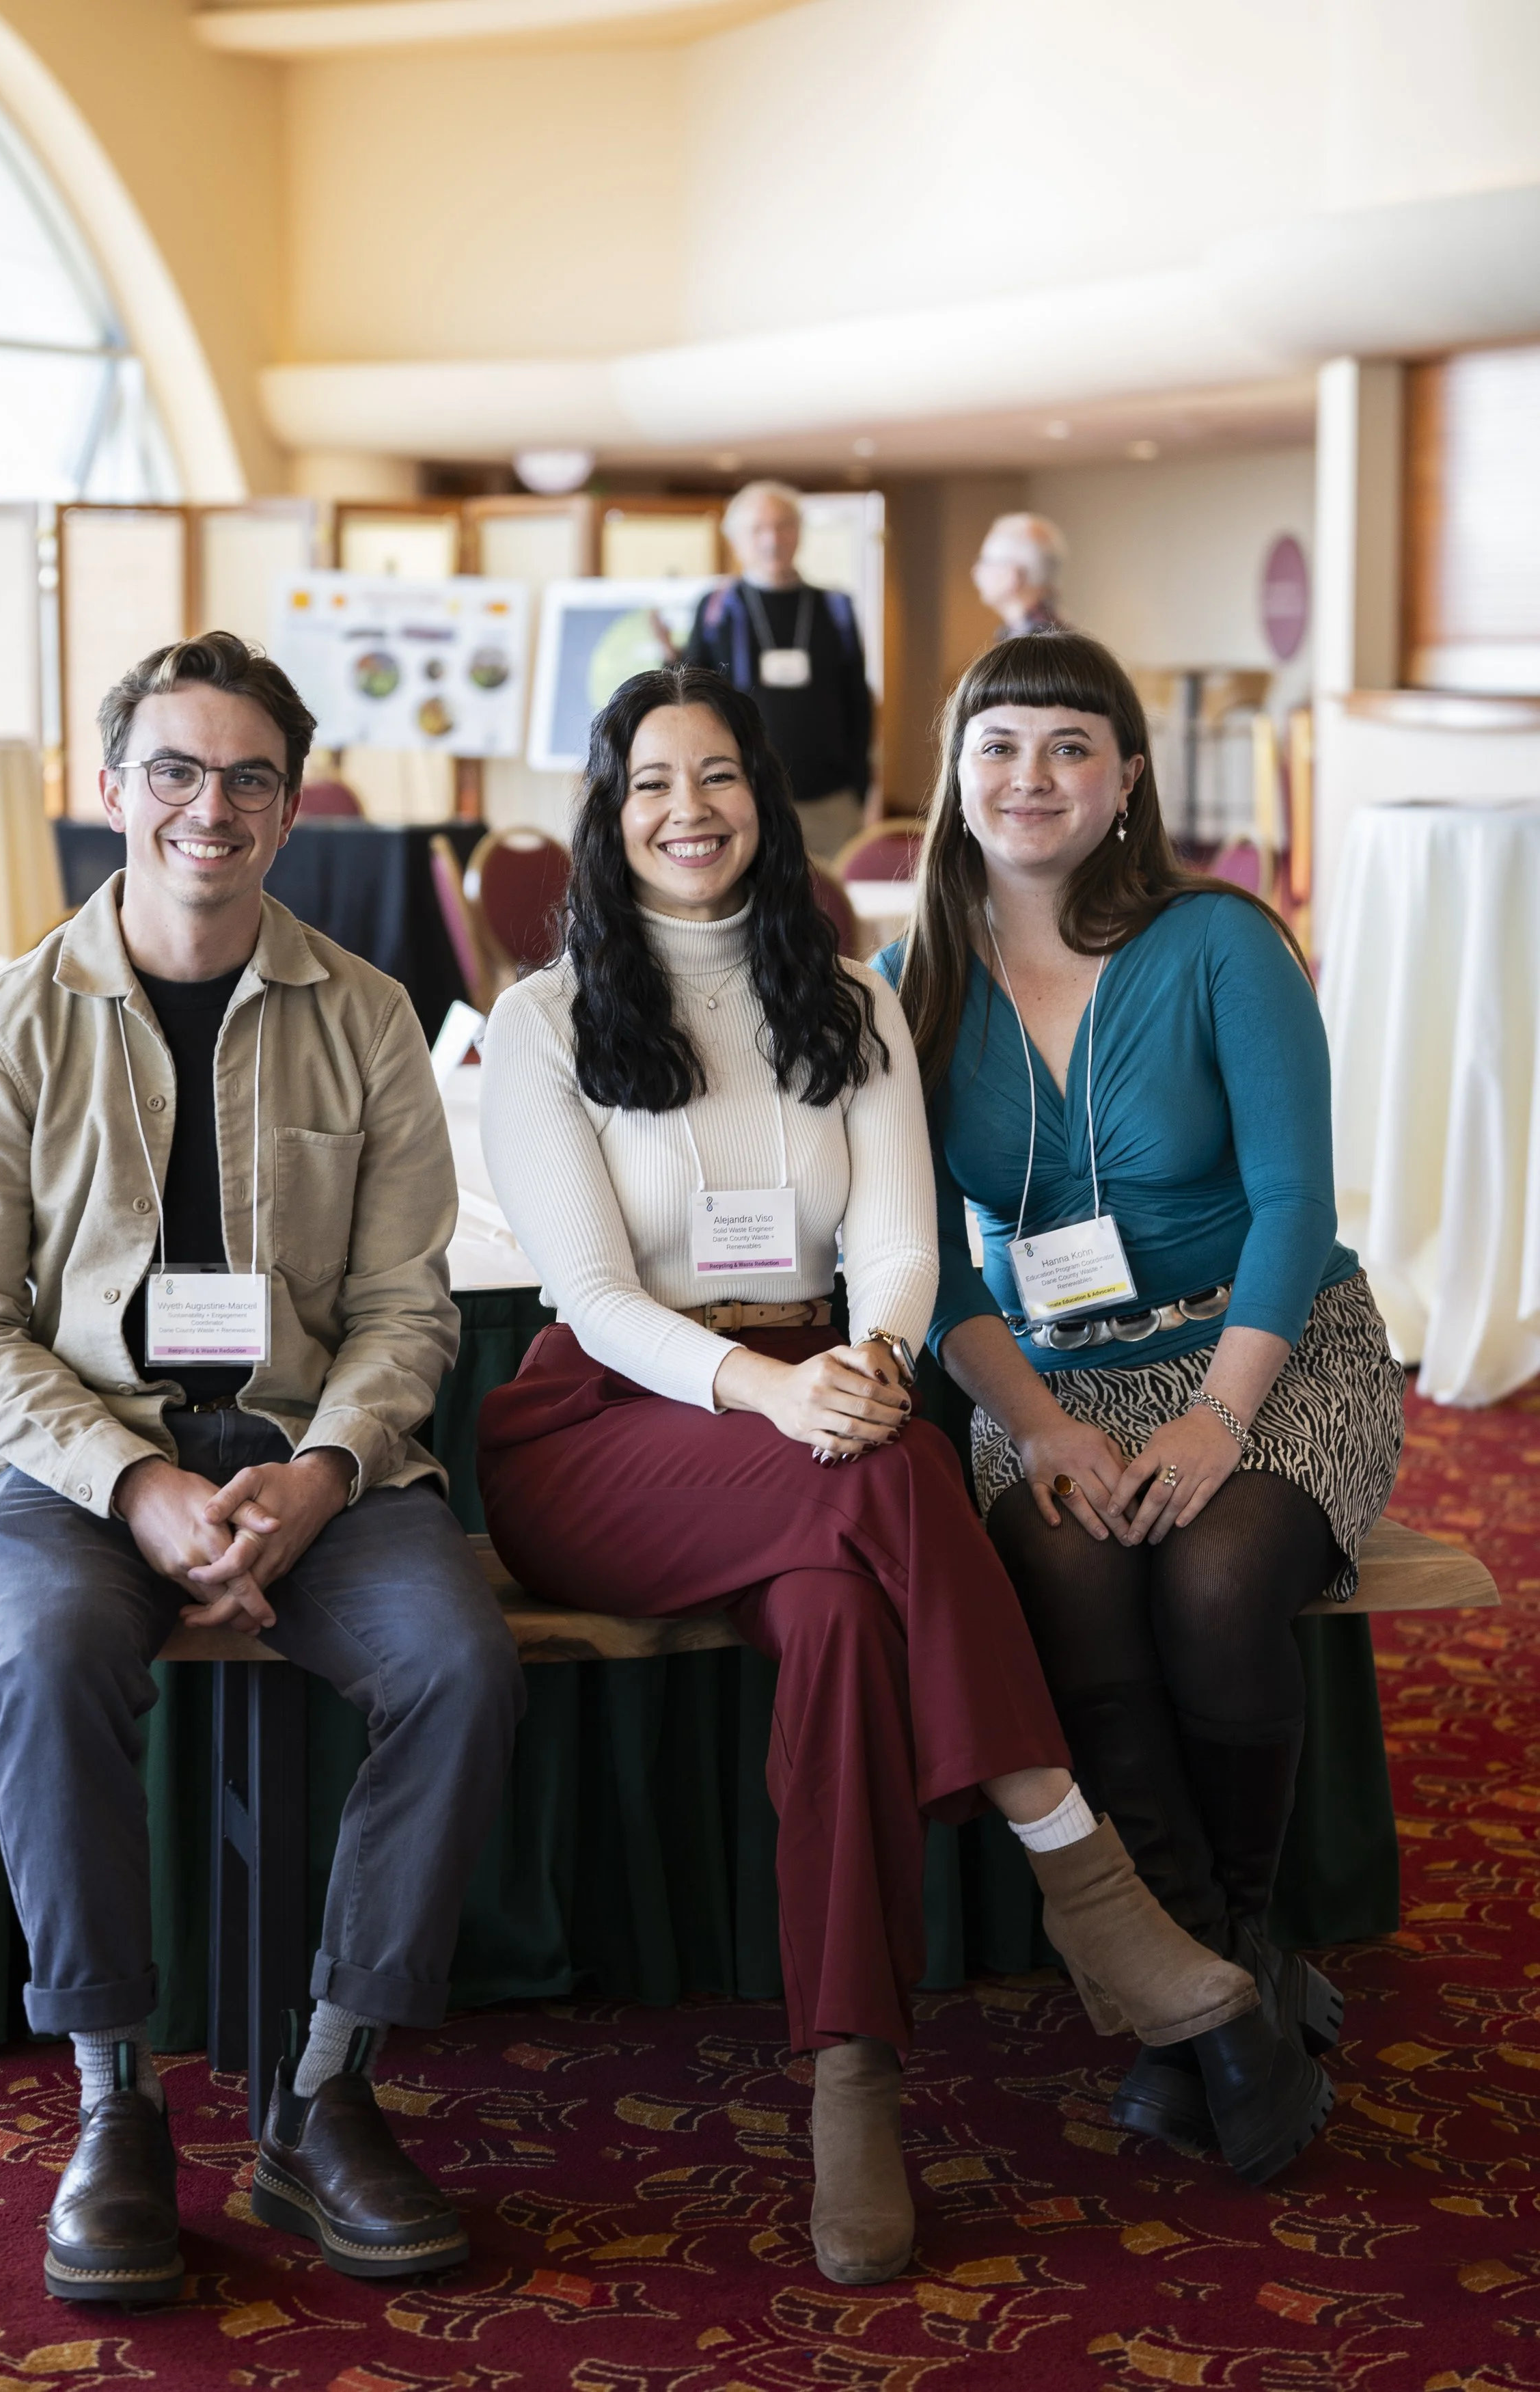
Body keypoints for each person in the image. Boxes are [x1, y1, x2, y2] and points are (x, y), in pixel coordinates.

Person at [474, 661, 1329, 2291]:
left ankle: (852, 2085)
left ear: (762, 796)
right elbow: (587, 1295)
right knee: (896, 1482)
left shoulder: (851, 993)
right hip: (615, 1420)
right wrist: (772, 1391)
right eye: (651, 782)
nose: (687, 811)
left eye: (718, 776)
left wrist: (869, 1355)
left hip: (823, 1405)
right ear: (606, 808)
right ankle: (1090, 1882)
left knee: (853, 1613)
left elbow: (895, 1235)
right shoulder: (544, 1016)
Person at [0, 632, 524, 2307]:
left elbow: (410, 1309)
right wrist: (131, 1484)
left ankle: (324, 2089)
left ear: (293, 803)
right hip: (78, 1465)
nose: (211, 805)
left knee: (461, 1660)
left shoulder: (372, 1015)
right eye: (173, 771)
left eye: (250, 775)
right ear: (111, 791)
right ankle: (113, 2099)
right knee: (44, 1656)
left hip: (312, 1459)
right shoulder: (0, 1031)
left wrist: (325, 1470)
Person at [883, 629, 1405, 2156]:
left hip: (1271, 1340)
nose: (1028, 775)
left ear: (1122, 780)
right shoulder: (906, 981)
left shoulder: (1221, 940)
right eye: (997, 746)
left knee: (1213, 1575)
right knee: (1065, 1567)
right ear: (956, 780)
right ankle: (1214, 2001)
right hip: (1044, 1375)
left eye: (1066, 746)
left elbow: (1295, 1201)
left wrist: (1217, 1412)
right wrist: (1040, 1425)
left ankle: (1226, 1958)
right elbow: (927, 1265)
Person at [686, 479, 871, 860]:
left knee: (832, 905)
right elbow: (692, 698)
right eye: (757, 529)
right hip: (744, 794)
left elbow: (858, 700)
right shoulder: (716, 608)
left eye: (783, 525)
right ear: (735, 540)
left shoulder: (835, 607)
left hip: (829, 797)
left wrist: (862, 785)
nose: (772, 539)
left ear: (800, 532)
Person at [973, 511, 1069, 638]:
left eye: (986, 562)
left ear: (1013, 575)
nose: (975, 571)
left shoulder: (1034, 643)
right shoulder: (1054, 632)